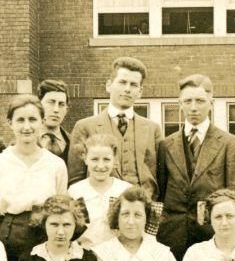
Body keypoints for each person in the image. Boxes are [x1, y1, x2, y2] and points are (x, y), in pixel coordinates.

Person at [156, 74, 235, 261]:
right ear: (180, 104)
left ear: (211, 103)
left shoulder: (229, 143)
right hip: (173, 237)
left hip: (213, 235)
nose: (193, 107)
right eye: (187, 101)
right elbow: (161, 194)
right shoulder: (166, 145)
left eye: (200, 101)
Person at [0, 95, 68, 261]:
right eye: (20, 120)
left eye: (33, 120)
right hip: (9, 237)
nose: (27, 127)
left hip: (44, 236)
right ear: (10, 123)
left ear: (42, 122)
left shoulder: (56, 164)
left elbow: (61, 211)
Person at [67, 57, 163, 197]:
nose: (127, 89)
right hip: (99, 205)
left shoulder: (152, 129)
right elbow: (76, 180)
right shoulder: (84, 127)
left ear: (140, 91)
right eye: (122, 82)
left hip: (141, 206)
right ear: (109, 85)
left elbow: (160, 178)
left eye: (133, 85)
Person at [67, 134, 131, 248]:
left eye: (106, 159)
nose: (100, 166)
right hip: (84, 253)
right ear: (85, 158)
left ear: (114, 159)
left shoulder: (125, 190)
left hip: (117, 253)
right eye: (94, 159)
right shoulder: (75, 191)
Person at [37, 79, 71, 162]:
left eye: (61, 104)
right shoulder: (25, 140)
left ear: (66, 110)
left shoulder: (73, 142)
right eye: (51, 103)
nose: (56, 110)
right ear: (38, 105)